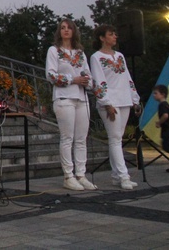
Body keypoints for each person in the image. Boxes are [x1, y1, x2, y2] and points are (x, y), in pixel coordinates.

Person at [46, 18, 96, 191]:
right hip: (64, 98)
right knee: (67, 138)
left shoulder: (80, 53)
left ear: (74, 31)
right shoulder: (54, 51)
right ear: (59, 32)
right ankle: (68, 175)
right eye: (62, 28)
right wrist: (73, 79)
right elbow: (51, 75)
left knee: (81, 139)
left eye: (69, 28)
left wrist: (86, 82)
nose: (66, 30)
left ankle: (81, 174)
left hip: (81, 98)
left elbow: (89, 77)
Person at [89, 25, 142, 190]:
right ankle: (124, 176)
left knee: (117, 138)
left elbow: (127, 77)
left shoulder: (120, 56)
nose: (115, 37)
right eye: (111, 34)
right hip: (110, 102)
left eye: (115, 34)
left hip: (124, 99)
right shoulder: (96, 57)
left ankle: (115, 175)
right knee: (115, 139)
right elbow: (98, 81)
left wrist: (135, 98)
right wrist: (107, 103)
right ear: (102, 38)